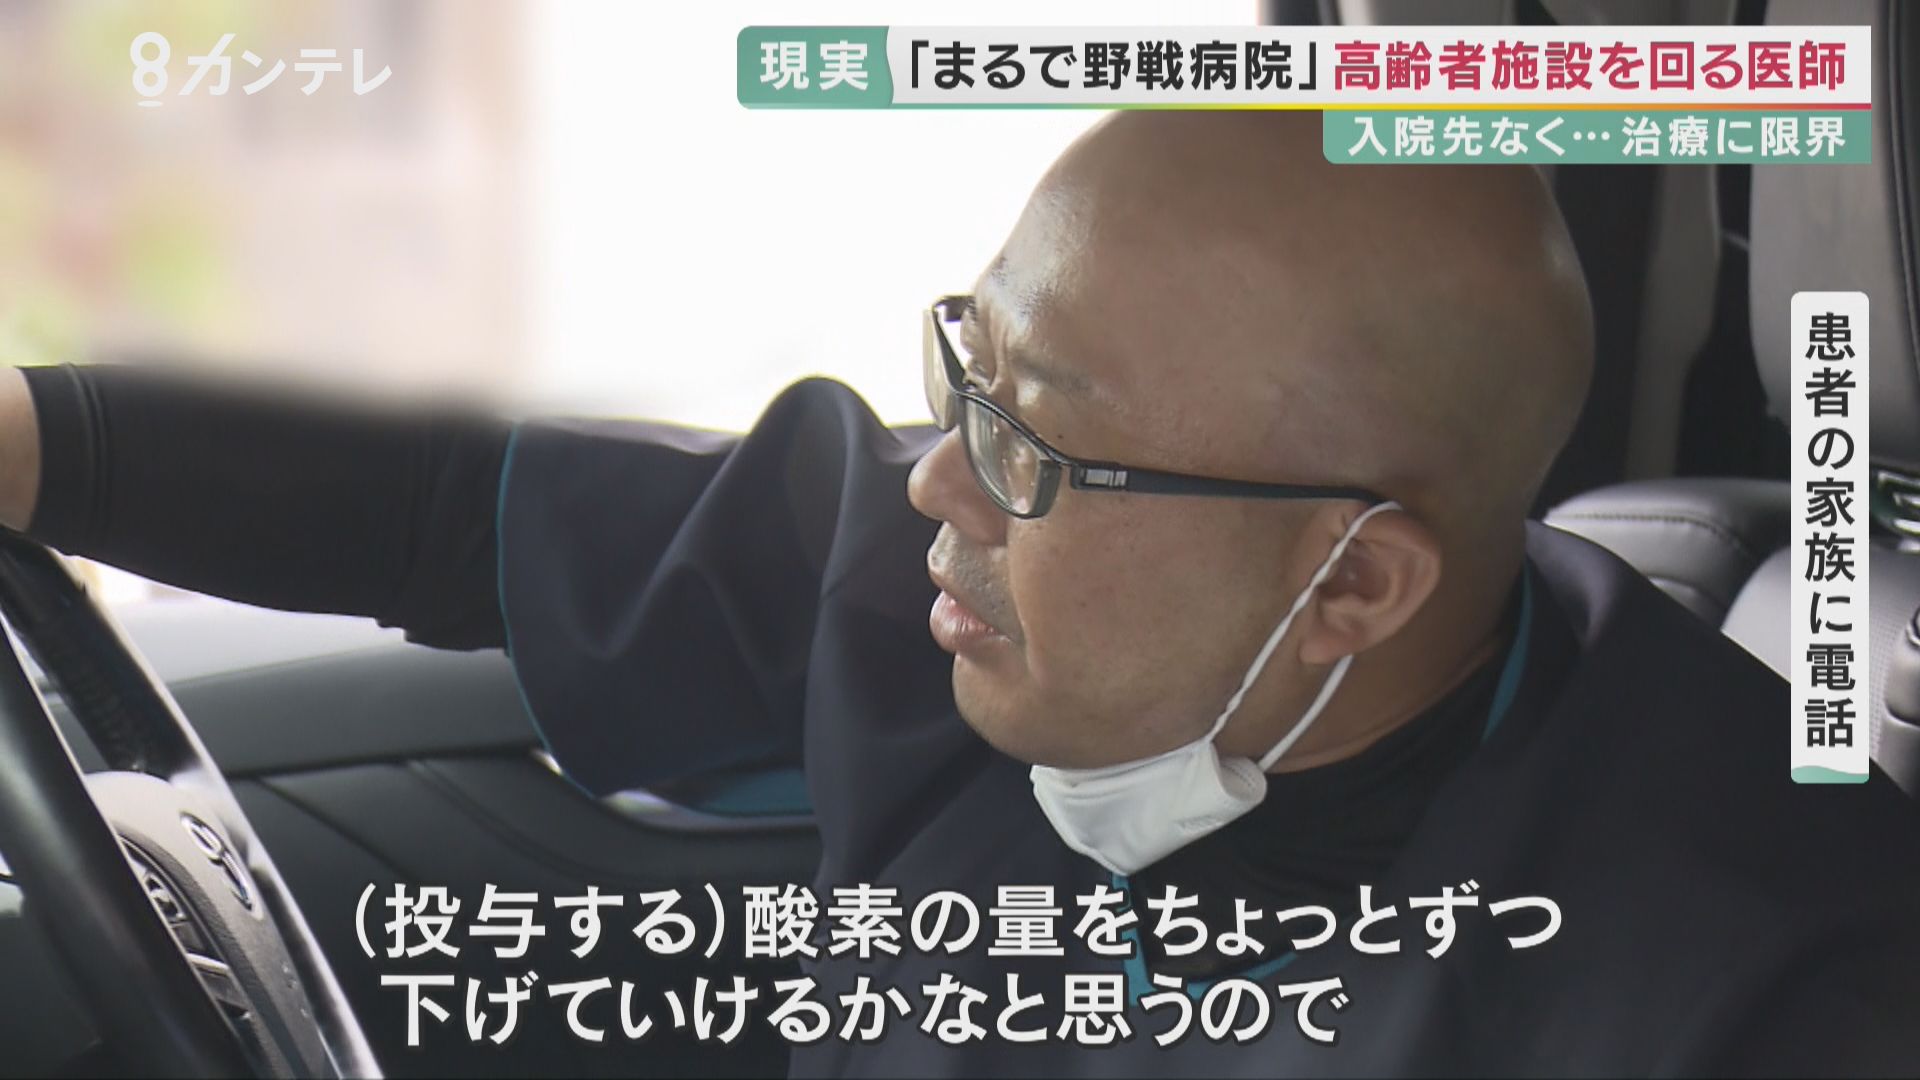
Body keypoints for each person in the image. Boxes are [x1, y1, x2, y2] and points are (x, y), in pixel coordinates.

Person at [0, 111, 1915, 1076]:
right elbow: (446, 504)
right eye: (967, 369)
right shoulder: (983, 608)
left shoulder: (1757, 994)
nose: (940, 481)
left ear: (1352, 582)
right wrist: (37, 443)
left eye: (1039, 443)